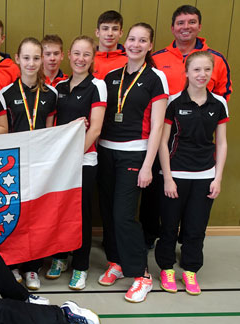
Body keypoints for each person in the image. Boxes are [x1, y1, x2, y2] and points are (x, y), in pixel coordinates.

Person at [97, 23, 168, 303]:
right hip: (105, 152)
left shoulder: (155, 77)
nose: (136, 44)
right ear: (124, 43)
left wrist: (148, 165)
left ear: (150, 45)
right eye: (132, 39)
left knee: (123, 215)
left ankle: (142, 274)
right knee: (107, 212)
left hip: (134, 153)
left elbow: (159, 125)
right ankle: (117, 261)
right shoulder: (112, 76)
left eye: (143, 40)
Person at [155, 51, 228, 296]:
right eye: (196, 69)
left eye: (207, 69)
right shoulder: (174, 103)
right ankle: (166, 267)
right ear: (186, 72)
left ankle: (190, 269)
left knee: (196, 227)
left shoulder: (219, 104)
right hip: (175, 175)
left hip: (204, 176)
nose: (202, 74)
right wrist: (167, 177)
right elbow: (163, 142)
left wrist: (217, 177)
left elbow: (222, 143)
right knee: (169, 226)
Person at [48, 36, 107, 290]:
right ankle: (60, 257)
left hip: (84, 160)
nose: (81, 59)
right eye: (76, 54)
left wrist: (72, 158)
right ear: (68, 56)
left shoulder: (98, 86)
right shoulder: (59, 87)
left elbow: (94, 130)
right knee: (60, 212)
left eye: (86, 54)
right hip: (61, 163)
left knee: (81, 214)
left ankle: (80, 266)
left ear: (92, 58)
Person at [1, 37, 58, 289]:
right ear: (17, 59)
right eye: (26, 57)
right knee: (14, 214)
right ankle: (13, 265)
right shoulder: (4, 95)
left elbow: (51, 132)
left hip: (40, 166)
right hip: (14, 166)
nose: (32, 63)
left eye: (37, 57)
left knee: (36, 216)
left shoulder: (51, 94)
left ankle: (32, 268)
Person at [152, 5, 232, 100]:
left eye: (192, 22)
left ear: (199, 27)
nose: (186, 27)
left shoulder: (217, 59)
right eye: (180, 23)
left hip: (202, 114)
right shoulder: (155, 59)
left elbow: (222, 96)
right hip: (163, 114)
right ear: (172, 28)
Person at [93, 10, 127, 80]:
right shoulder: (88, 59)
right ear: (97, 32)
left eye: (115, 29)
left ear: (120, 33)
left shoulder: (129, 61)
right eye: (105, 29)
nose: (110, 33)